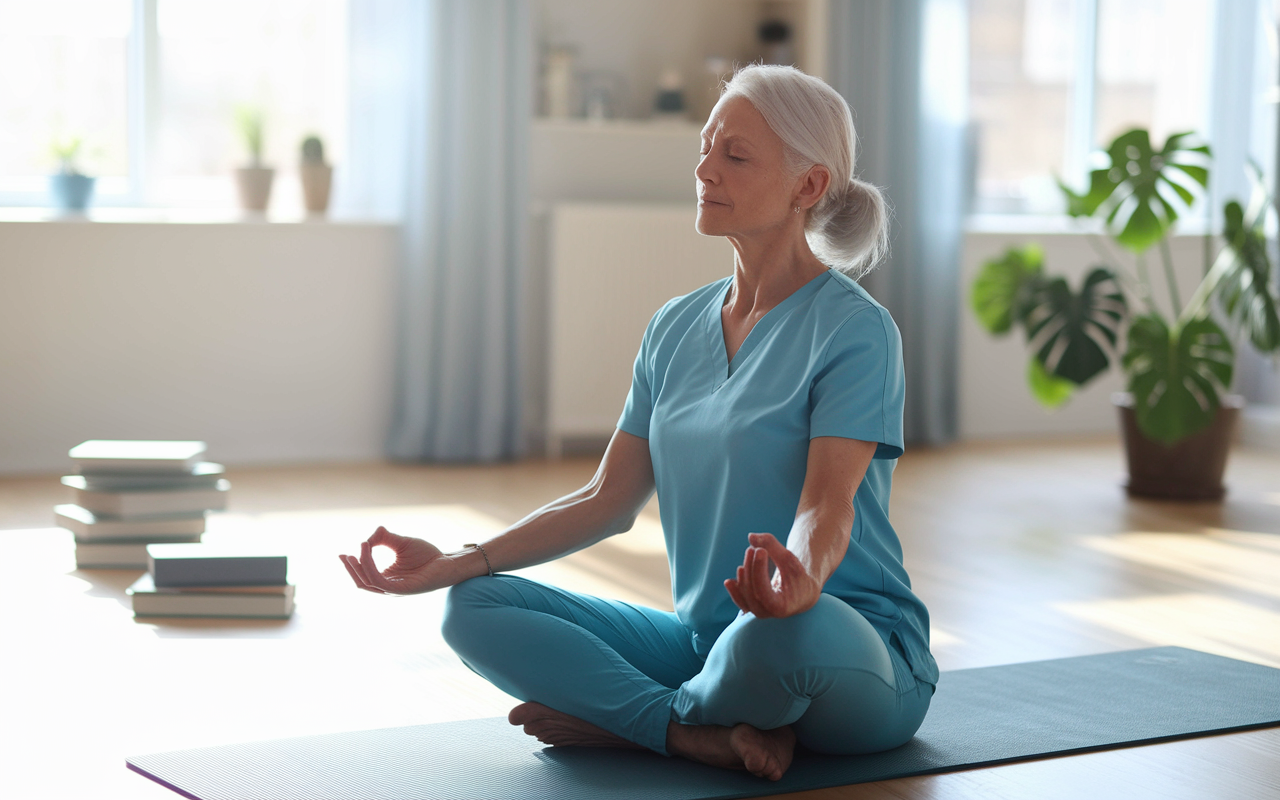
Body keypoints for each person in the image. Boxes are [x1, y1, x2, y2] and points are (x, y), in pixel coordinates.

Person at [340, 64, 937, 782]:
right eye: (706, 146)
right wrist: (455, 561)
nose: (704, 169)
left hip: (840, 641)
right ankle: (690, 730)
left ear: (807, 187)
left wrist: (801, 578)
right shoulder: (673, 326)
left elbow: (827, 504)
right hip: (707, 642)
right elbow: (604, 500)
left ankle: (640, 723)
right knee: (473, 607)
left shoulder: (856, 331)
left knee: (776, 640)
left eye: (735, 155)